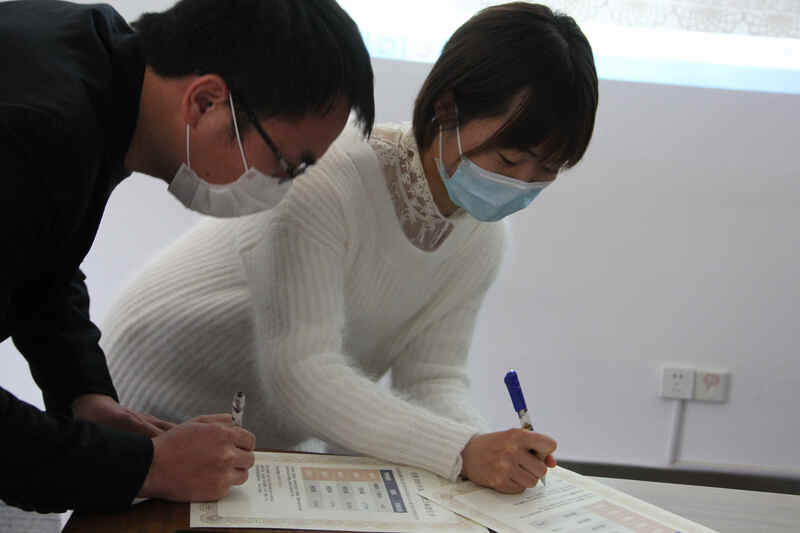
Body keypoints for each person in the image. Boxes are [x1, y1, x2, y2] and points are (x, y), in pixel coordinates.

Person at [103, 2, 597, 494]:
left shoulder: (483, 239)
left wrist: (494, 451)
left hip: (248, 442)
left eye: (546, 172)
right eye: (509, 160)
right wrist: (463, 449)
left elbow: (432, 378)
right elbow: (301, 373)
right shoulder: (329, 181)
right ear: (447, 108)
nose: (521, 185)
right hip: (145, 398)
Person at [0, 0, 374, 513]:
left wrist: (84, 395)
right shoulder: (37, 127)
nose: (281, 188)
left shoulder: (97, 66)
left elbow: (43, 257)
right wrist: (147, 468)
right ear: (205, 102)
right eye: (287, 165)